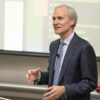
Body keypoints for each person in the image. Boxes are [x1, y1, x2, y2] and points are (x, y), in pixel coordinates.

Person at [26, 4, 97, 100]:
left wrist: (65, 89)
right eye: (53, 19)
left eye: (60, 18)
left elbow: (90, 83)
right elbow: (57, 76)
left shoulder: (84, 47)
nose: (55, 22)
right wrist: (39, 76)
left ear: (72, 21)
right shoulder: (54, 45)